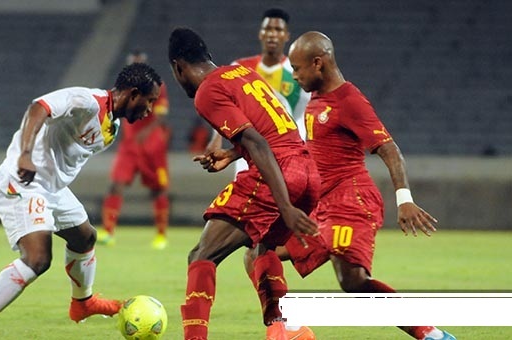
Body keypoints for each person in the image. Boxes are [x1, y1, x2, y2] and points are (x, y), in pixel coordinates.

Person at [244, 31, 456, 340]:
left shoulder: (349, 100)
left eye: (299, 68)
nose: (296, 76)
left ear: (318, 64)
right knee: (258, 250)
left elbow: (390, 149)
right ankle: (286, 328)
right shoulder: (316, 100)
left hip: (351, 202)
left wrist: (404, 198)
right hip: (320, 206)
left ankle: (432, 334)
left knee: (353, 281)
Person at [0, 63, 162, 340]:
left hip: (52, 188)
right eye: (150, 101)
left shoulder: (113, 123)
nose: (150, 110)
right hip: (23, 181)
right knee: (37, 259)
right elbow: (38, 107)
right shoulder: (87, 101)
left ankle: (83, 303)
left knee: (85, 238)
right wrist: (25, 153)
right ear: (134, 94)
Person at [168, 27, 321, 340]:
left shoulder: (206, 92)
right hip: (307, 169)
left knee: (201, 256)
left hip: (277, 172)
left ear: (178, 67)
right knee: (259, 250)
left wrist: (285, 207)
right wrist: (230, 152)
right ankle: (288, 330)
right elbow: (273, 128)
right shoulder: (242, 73)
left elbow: (259, 144)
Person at [207, 8, 311, 178]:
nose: (272, 34)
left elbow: (303, 116)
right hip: (247, 150)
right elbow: (225, 106)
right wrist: (216, 139)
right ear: (260, 34)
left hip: (286, 151)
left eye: (277, 30)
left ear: (286, 36)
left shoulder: (297, 72)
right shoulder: (239, 68)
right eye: (267, 29)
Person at [99, 50, 171, 250]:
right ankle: (108, 231)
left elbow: (161, 116)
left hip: (152, 145)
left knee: (158, 190)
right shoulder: (122, 86)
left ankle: (161, 235)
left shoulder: (157, 86)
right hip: (129, 146)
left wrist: (145, 133)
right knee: (115, 185)